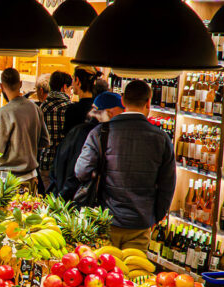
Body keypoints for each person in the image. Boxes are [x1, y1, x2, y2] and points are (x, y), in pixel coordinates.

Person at [75, 80, 176, 252]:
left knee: (103, 275)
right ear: (148, 103)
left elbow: (81, 171)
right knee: (133, 275)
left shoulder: (100, 133)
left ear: (122, 100)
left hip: (105, 220)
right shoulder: (161, 138)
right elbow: (168, 185)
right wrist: (155, 216)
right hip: (140, 223)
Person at [51, 91, 122, 199]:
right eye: (121, 113)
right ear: (109, 112)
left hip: (62, 195)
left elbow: (56, 168)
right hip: (78, 200)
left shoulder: (76, 130)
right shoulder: (97, 135)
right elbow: (79, 173)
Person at [0, 68, 48, 191]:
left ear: (1, 86)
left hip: (10, 182)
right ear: (20, 83)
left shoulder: (2, 113)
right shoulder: (35, 108)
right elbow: (45, 141)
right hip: (32, 179)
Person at [39, 71, 74, 190]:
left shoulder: (42, 107)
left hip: (45, 162)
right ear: (65, 87)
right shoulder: (70, 108)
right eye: (70, 88)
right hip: (63, 165)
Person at [67, 66, 100, 133]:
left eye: (73, 80)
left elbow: (68, 137)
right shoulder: (99, 108)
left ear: (77, 81)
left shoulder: (73, 110)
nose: (72, 84)